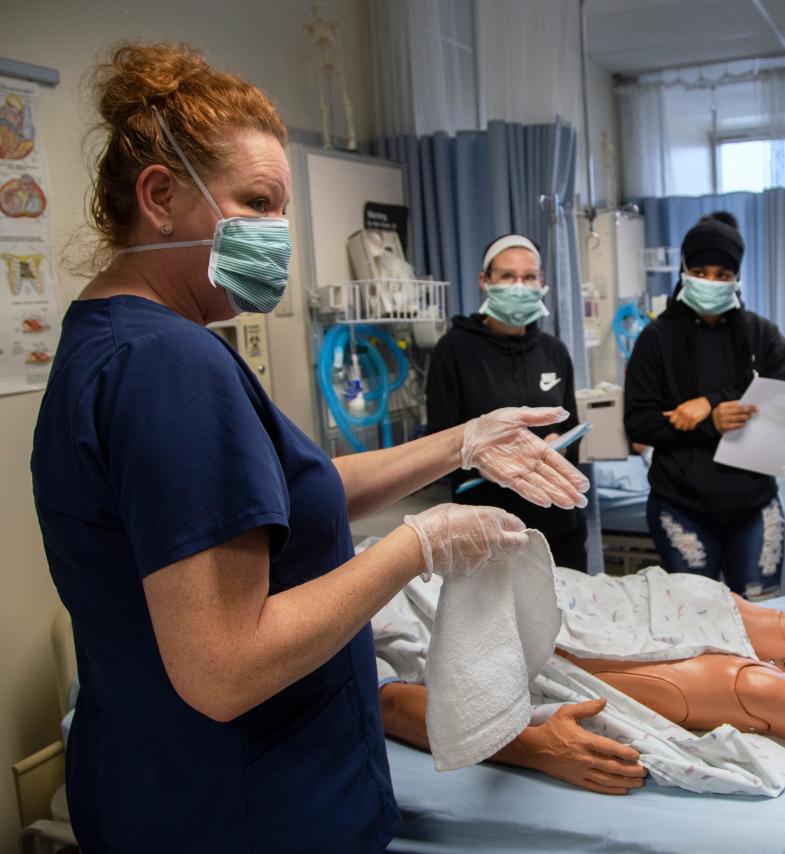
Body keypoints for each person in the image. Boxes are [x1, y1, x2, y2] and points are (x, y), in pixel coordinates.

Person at [29, 43, 587, 854]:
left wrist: (460, 444)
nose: (278, 236)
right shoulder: (169, 365)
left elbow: (295, 492)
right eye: (256, 203)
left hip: (164, 787)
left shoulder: (109, 343)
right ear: (160, 196)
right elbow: (226, 667)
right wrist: (416, 544)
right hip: (248, 808)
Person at [373, 565, 785, 793]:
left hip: (562, 592)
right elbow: (391, 706)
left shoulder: (362, 549)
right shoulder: (319, 625)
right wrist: (533, 747)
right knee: (755, 689)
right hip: (525, 650)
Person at [623, 212, 785, 599]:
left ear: (737, 278)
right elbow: (638, 423)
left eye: (723, 274)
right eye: (701, 271)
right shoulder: (656, 339)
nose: (712, 282)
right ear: (684, 272)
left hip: (755, 505)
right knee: (701, 622)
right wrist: (710, 425)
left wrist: (711, 404)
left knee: (761, 618)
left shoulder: (761, 335)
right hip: (680, 505)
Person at [426, 234, 587, 569]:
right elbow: (439, 443)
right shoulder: (454, 350)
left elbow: (570, 427)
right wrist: (497, 455)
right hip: (487, 528)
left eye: (529, 277)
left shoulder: (554, 351)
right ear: (485, 282)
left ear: (541, 282)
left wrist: (562, 444)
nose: (519, 286)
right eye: (507, 277)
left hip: (557, 523)